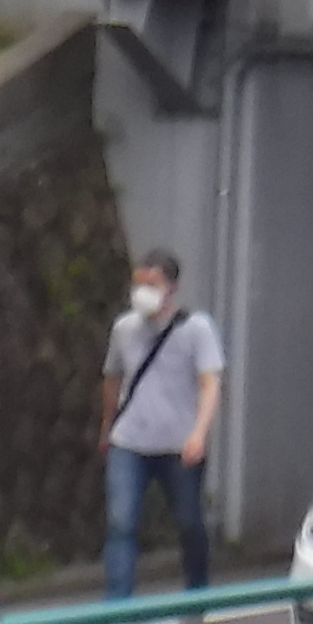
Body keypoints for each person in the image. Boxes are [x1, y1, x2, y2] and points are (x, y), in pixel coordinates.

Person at [101, 253, 227, 598]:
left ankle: (197, 595)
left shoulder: (196, 328)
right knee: (121, 523)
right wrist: (106, 427)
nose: (142, 291)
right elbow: (112, 379)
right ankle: (117, 608)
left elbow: (210, 384)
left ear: (172, 287)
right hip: (129, 442)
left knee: (189, 523)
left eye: (152, 284)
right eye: (139, 284)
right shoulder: (124, 329)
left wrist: (199, 434)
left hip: (179, 445)